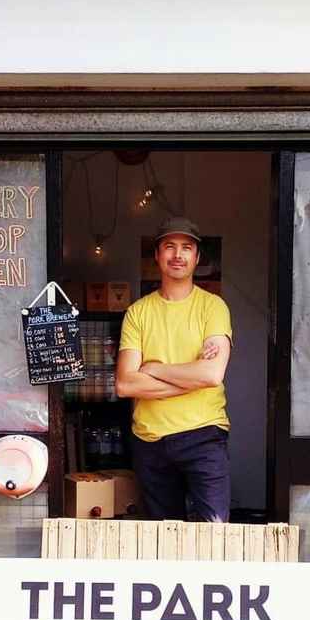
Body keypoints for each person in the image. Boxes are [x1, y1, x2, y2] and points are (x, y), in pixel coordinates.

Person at [115, 216, 232, 522]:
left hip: (203, 435)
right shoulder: (137, 312)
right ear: (157, 255)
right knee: (161, 541)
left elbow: (211, 375)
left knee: (214, 533)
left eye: (186, 248)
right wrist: (190, 378)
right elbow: (125, 385)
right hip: (150, 441)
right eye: (169, 246)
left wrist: (153, 368)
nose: (177, 255)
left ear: (197, 257)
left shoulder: (213, 307)